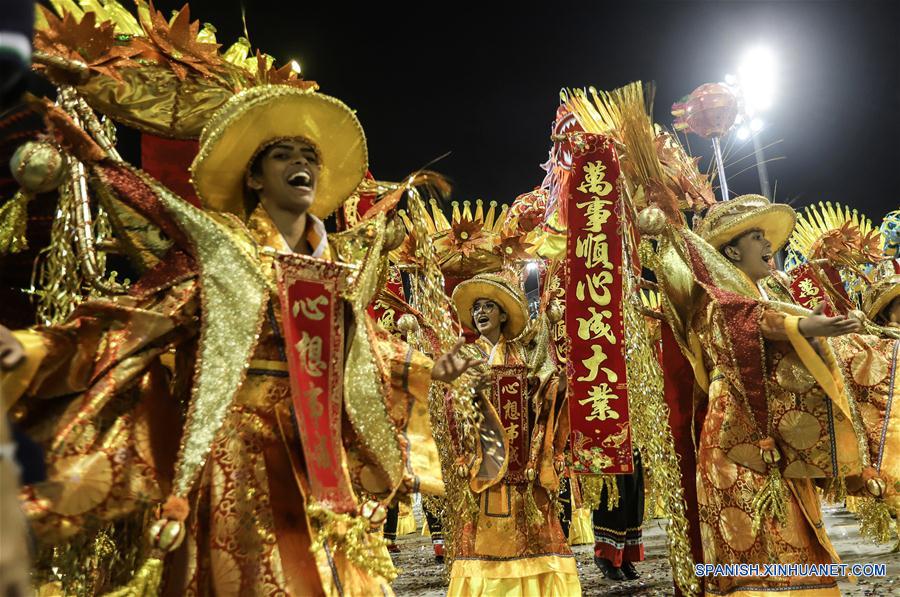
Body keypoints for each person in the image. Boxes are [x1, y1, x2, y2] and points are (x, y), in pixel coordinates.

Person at [3, 85, 480, 596]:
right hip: (240, 459)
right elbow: (133, 324)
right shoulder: (222, 260)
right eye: (282, 155)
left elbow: (365, 357)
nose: (300, 164)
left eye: (308, 157)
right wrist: (33, 349)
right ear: (254, 177)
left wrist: (432, 369)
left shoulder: (332, 273)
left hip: (322, 465)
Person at [669, 194, 872, 596]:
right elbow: (758, 322)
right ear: (730, 251)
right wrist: (807, 327)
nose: (769, 246)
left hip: (767, 433)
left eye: (768, 237)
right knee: (755, 534)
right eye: (757, 237)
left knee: (793, 529)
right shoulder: (718, 305)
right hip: (736, 433)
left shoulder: (759, 295)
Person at [446, 271, 579, 597]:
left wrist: (553, 388)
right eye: (476, 308)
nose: (480, 313)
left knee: (531, 533)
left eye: (488, 306)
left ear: (503, 314)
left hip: (524, 464)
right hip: (486, 462)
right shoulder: (465, 356)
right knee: (487, 535)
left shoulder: (523, 353)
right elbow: (451, 403)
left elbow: (546, 391)